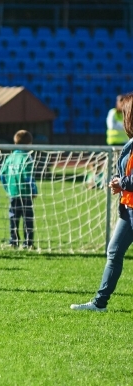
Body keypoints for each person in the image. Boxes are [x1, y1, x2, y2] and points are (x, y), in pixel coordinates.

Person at [72, 93, 133, 312]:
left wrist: (122, 183)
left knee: (114, 252)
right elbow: (125, 173)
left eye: (125, 113)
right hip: (128, 208)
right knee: (114, 252)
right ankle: (99, 303)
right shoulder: (130, 144)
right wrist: (119, 182)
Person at [0, 130, 37, 249]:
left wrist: (8, 188)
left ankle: (13, 241)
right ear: (29, 144)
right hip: (25, 194)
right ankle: (28, 243)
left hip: (13, 193)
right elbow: (28, 176)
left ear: (15, 143)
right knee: (28, 219)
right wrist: (34, 190)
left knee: (13, 218)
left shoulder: (10, 157)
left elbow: (1, 175)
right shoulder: (27, 158)